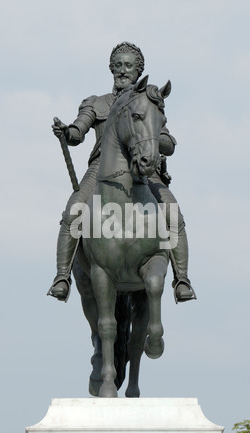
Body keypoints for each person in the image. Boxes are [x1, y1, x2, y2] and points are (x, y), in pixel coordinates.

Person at [48, 42, 195, 303]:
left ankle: (181, 279)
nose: (122, 70)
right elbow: (77, 134)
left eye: (128, 66)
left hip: (144, 169)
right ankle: (62, 276)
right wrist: (67, 131)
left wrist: (150, 137)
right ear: (111, 69)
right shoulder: (96, 103)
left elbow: (168, 144)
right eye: (117, 65)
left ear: (138, 71)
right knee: (74, 210)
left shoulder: (149, 102)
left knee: (173, 211)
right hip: (102, 169)